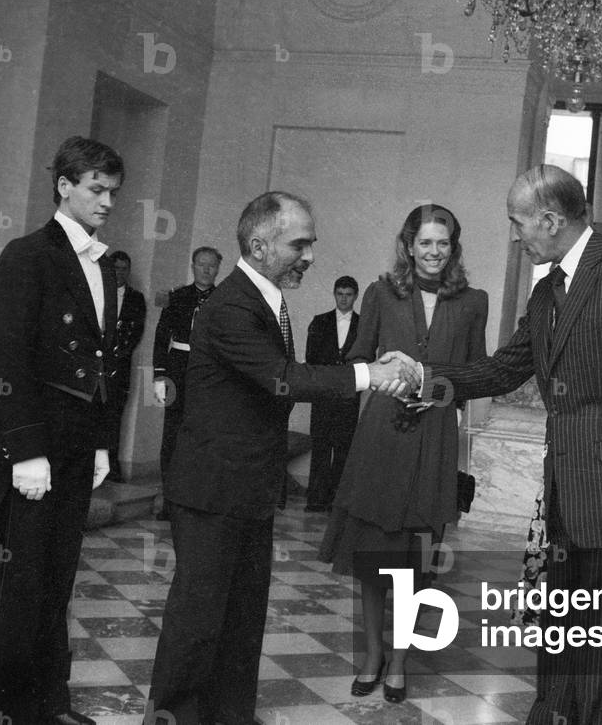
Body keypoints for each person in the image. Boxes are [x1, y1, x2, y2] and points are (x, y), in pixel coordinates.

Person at [411, 165, 602, 724]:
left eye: (519, 223)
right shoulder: (549, 290)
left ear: (550, 219)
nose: (516, 236)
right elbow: (503, 369)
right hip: (565, 495)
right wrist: (425, 377)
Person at [145, 191, 417, 725]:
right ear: (259, 243)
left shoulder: (265, 299)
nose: (310, 254)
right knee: (197, 624)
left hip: (247, 488)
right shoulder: (229, 306)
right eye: (301, 243)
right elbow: (282, 379)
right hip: (212, 491)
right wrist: (369, 374)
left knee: (242, 622)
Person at [0, 136, 125, 725]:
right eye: (96, 189)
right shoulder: (27, 254)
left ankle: (47, 706)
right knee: (20, 585)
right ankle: (0, 714)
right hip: (35, 446)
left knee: (58, 580)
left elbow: (100, 362)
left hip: (78, 445)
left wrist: (103, 438)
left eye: (112, 192)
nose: (107, 201)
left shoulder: (103, 264)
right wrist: (26, 451)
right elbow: (7, 357)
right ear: (64, 186)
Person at [319, 204, 488, 703]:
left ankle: (398, 661)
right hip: (382, 436)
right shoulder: (380, 293)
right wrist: (387, 367)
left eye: (443, 243)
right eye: (425, 243)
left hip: (433, 438)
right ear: (408, 245)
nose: (433, 252)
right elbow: (358, 357)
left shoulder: (473, 300)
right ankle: (371, 655)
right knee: (372, 559)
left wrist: (431, 380)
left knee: (413, 563)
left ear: (453, 248)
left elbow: (476, 374)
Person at [151, 246, 221, 516]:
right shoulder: (177, 297)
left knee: (203, 438)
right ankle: (169, 501)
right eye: (201, 264)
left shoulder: (223, 300)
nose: (206, 270)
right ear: (193, 266)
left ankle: (195, 502)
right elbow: (161, 338)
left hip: (209, 375)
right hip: (177, 371)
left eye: (212, 265)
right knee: (172, 436)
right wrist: (159, 375)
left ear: (218, 269)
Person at [304, 275, 362, 512]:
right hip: (323, 393)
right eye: (340, 294)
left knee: (343, 448)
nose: (344, 299)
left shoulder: (364, 324)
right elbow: (311, 358)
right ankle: (316, 500)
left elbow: (366, 359)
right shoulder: (320, 321)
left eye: (348, 294)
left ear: (355, 296)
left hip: (349, 394)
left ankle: (336, 502)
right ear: (334, 294)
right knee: (320, 445)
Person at [107, 250, 146, 481]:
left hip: (119, 368)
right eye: (116, 268)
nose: (119, 273)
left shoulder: (136, 298)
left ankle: (111, 467)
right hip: (95, 366)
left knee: (114, 418)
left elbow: (136, 332)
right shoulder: (97, 292)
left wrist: (119, 353)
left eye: (124, 268)